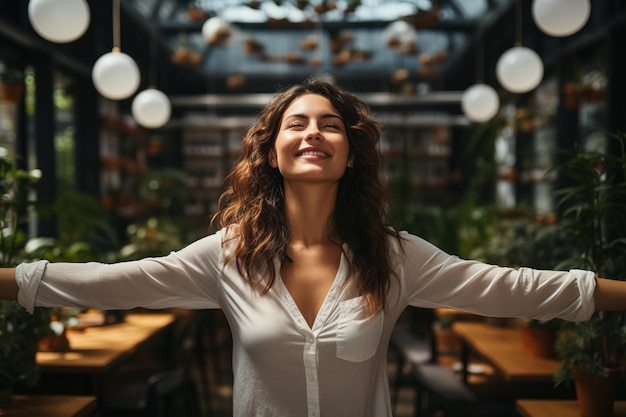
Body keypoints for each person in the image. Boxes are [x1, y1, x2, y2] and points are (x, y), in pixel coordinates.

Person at [1, 77, 626, 417]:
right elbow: (108, 281)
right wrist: (11, 280)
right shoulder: (228, 256)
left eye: (330, 124)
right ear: (271, 152)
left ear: (350, 155)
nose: (313, 133)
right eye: (295, 123)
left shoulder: (395, 256)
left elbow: (516, 287)